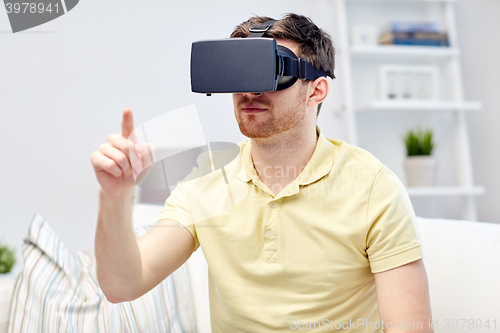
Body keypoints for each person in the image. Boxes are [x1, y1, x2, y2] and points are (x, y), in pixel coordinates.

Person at [91, 14, 433, 332]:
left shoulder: (372, 186)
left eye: (271, 70)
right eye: (241, 72)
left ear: (316, 89)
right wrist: (116, 196)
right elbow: (122, 285)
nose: (250, 91)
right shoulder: (205, 181)